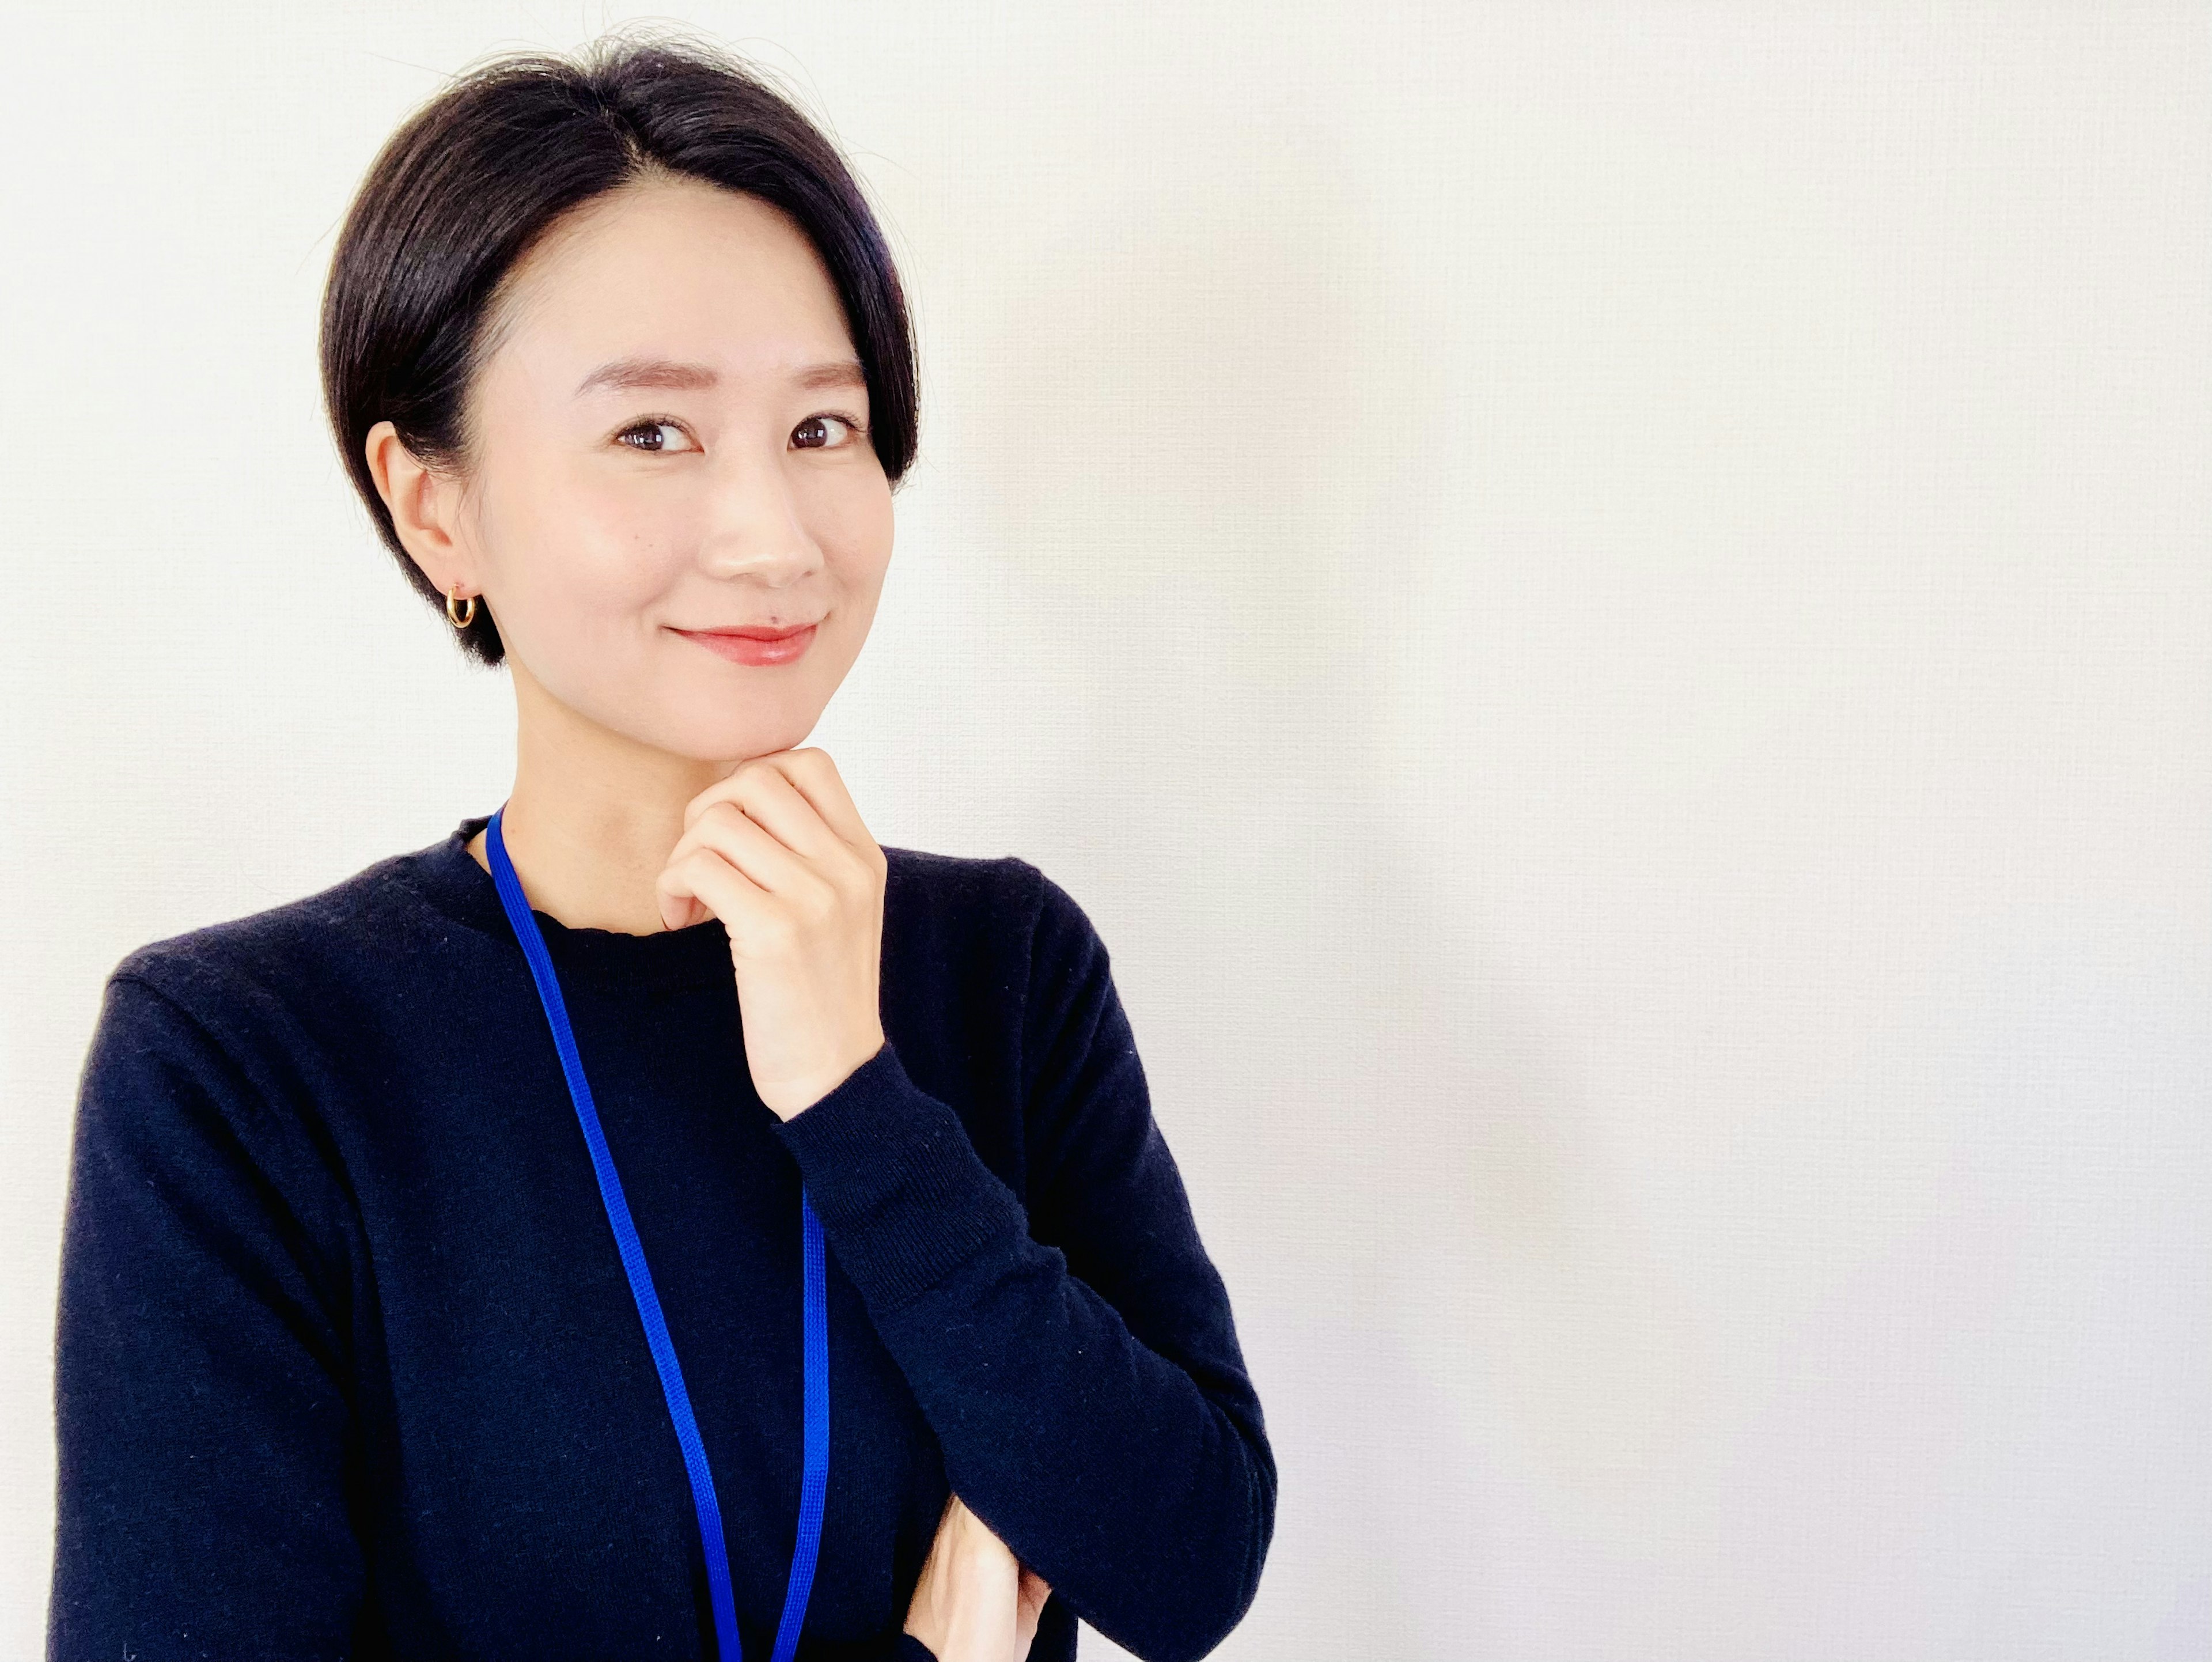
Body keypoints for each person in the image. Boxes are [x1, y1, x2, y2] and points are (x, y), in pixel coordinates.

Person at [48, 31, 1274, 1662]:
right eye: (653, 436)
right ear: (436, 508)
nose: (770, 533)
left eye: (824, 431)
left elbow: (1185, 1569)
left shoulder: (1004, 973)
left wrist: (854, 1097)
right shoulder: (245, 1065)